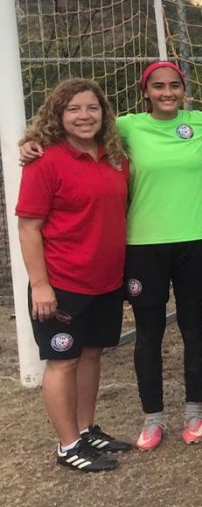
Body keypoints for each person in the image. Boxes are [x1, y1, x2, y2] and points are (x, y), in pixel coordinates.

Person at [17, 79, 132, 471]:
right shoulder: (44, 161)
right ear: (58, 115)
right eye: (74, 109)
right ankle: (68, 445)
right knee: (62, 361)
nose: (85, 116)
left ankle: (84, 429)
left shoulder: (115, 157)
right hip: (62, 282)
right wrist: (40, 285)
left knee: (91, 354)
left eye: (92, 108)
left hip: (106, 281)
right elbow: (28, 227)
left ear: (104, 113)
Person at [120, 61, 202, 449]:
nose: (167, 93)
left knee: (194, 328)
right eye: (158, 86)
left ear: (183, 89)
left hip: (195, 241)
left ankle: (195, 414)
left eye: (174, 85)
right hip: (144, 244)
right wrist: (32, 143)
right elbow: (76, 131)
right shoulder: (127, 126)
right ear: (145, 91)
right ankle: (153, 419)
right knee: (149, 333)